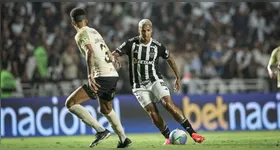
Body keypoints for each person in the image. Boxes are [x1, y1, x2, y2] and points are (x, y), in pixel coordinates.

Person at [112, 19, 205, 145]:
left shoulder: (157, 46)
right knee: (153, 113)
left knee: (168, 105)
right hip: (139, 86)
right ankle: (168, 137)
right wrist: (115, 58)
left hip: (155, 80)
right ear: (139, 30)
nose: (145, 33)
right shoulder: (131, 44)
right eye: (143, 31)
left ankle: (193, 133)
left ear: (151, 30)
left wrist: (178, 77)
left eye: (148, 30)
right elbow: (114, 53)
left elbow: (170, 59)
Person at [66, 7, 131, 148]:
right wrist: (114, 59)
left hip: (101, 76)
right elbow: (104, 48)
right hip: (112, 74)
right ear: (86, 20)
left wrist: (90, 75)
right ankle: (123, 139)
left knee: (70, 103)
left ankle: (100, 131)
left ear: (73, 24)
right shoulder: (94, 31)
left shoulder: (80, 34)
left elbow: (90, 52)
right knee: (106, 109)